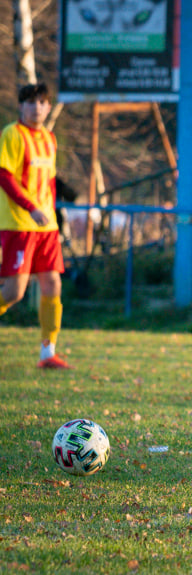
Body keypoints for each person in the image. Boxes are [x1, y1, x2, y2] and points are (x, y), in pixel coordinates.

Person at [0, 83, 71, 369]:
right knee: (15, 292)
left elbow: (50, 183)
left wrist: (55, 217)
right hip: (19, 224)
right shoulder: (11, 134)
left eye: (42, 102)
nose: (36, 107)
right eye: (30, 102)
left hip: (47, 227)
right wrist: (31, 208)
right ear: (21, 106)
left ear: (49, 107)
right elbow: (5, 176)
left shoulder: (49, 139)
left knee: (53, 283)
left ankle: (48, 352)